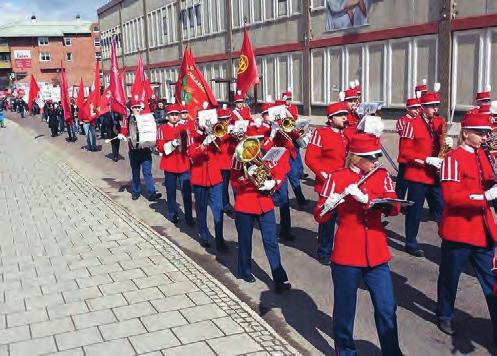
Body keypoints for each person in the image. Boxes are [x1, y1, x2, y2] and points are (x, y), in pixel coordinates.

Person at [314, 133, 403, 356]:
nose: (375, 161)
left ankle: (392, 351)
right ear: (355, 157)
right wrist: (330, 204)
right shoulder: (336, 178)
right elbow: (319, 216)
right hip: (347, 253)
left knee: (386, 308)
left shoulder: (380, 175)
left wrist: (369, 200)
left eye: (376, 157)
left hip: (376, 252)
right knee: (345, 310)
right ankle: (345, 351)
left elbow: (394, 206)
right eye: (370, 157)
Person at [437, 112, 497, 341]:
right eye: (480, 133)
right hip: (459, 231)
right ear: (466, 133)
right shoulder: (453, 159)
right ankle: (444, 313)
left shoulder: (482, 155)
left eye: (486, 133)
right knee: (450, 277)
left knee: (492, 282)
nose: (484, 137)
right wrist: (485, 196)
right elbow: (452, 198)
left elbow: (489, 178)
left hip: (483, 230)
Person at [230, 137, 292, 293]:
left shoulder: (264, 155)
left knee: (271, 241)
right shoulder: (238, 160)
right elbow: (235, 183)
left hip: (264, 204)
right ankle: (244, 270)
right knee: (245, 240)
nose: (251, 152)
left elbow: (280, 168)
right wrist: (246, 177)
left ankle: (279, 278)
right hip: (245, 204)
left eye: (253, 148)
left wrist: (275, 182)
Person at [401, 86, 451, 257]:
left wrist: (448, 145)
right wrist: (426, 159)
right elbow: (404, 153)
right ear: (422, 107)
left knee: (442, 209)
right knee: (414, 212)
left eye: (437, 105)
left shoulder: (440, 123)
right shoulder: (411, 125)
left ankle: (448, 241)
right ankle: (410, 242)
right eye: (432, 106)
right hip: (417, 175)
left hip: (435, 176)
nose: (436, 109)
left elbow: (442, 145)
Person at [305, 101, 349, 265]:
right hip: (328, 184)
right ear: (330, 118)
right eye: (340, 115)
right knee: (327, 220)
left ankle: (343, 249)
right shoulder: (321, 133)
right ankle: (324, 251)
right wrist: (325, 175)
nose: (345, 118)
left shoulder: (347, 134)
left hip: (346, 182)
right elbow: (310, 158)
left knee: (347, 220)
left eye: (345, 114)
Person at [187, 107, 226, 250]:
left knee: (218, 209)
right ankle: (203, 236)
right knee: (201, 209)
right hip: (200, 178)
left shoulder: (216, 133)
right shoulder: (191, 135)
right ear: (197, 121)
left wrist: (216, 137)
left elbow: (223, 150)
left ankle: (220, 239)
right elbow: (191, 154)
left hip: (215, 177)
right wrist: (204, 143)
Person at [156, 102, 193, 225]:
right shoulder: (162, 129)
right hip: (170, 164)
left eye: (176, 114)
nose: (175, 117)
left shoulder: (185, 128)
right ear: (167, 116)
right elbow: (160, 147)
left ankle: (189, 216)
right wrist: (172, 144)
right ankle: (173, 213)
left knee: (186, 192)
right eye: (172, 115)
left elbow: (190, 143)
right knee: (171, 192)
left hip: (183, 164)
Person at [118, 98, 162, 202]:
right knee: (135, 171)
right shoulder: (128, 119)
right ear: (131, 108)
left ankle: (151, 193)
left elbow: (152, 129)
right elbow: (124, 131)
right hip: (134, 150)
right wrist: (122, 135)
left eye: (138, 107)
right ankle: (136, 191)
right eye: (135, 108)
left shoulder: (146, 118)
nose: (137, 109)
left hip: (145, 149)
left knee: (147, 172)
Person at [395, 97, 421, 199]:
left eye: (418, 108)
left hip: (416, 155)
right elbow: (403, 133)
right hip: (405, 157)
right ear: (408, 109)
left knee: (414, 183)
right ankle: (398, 202)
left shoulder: (420, 120)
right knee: (402, 182)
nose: (417, 110)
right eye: (414, 108)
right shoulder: (402, 120)